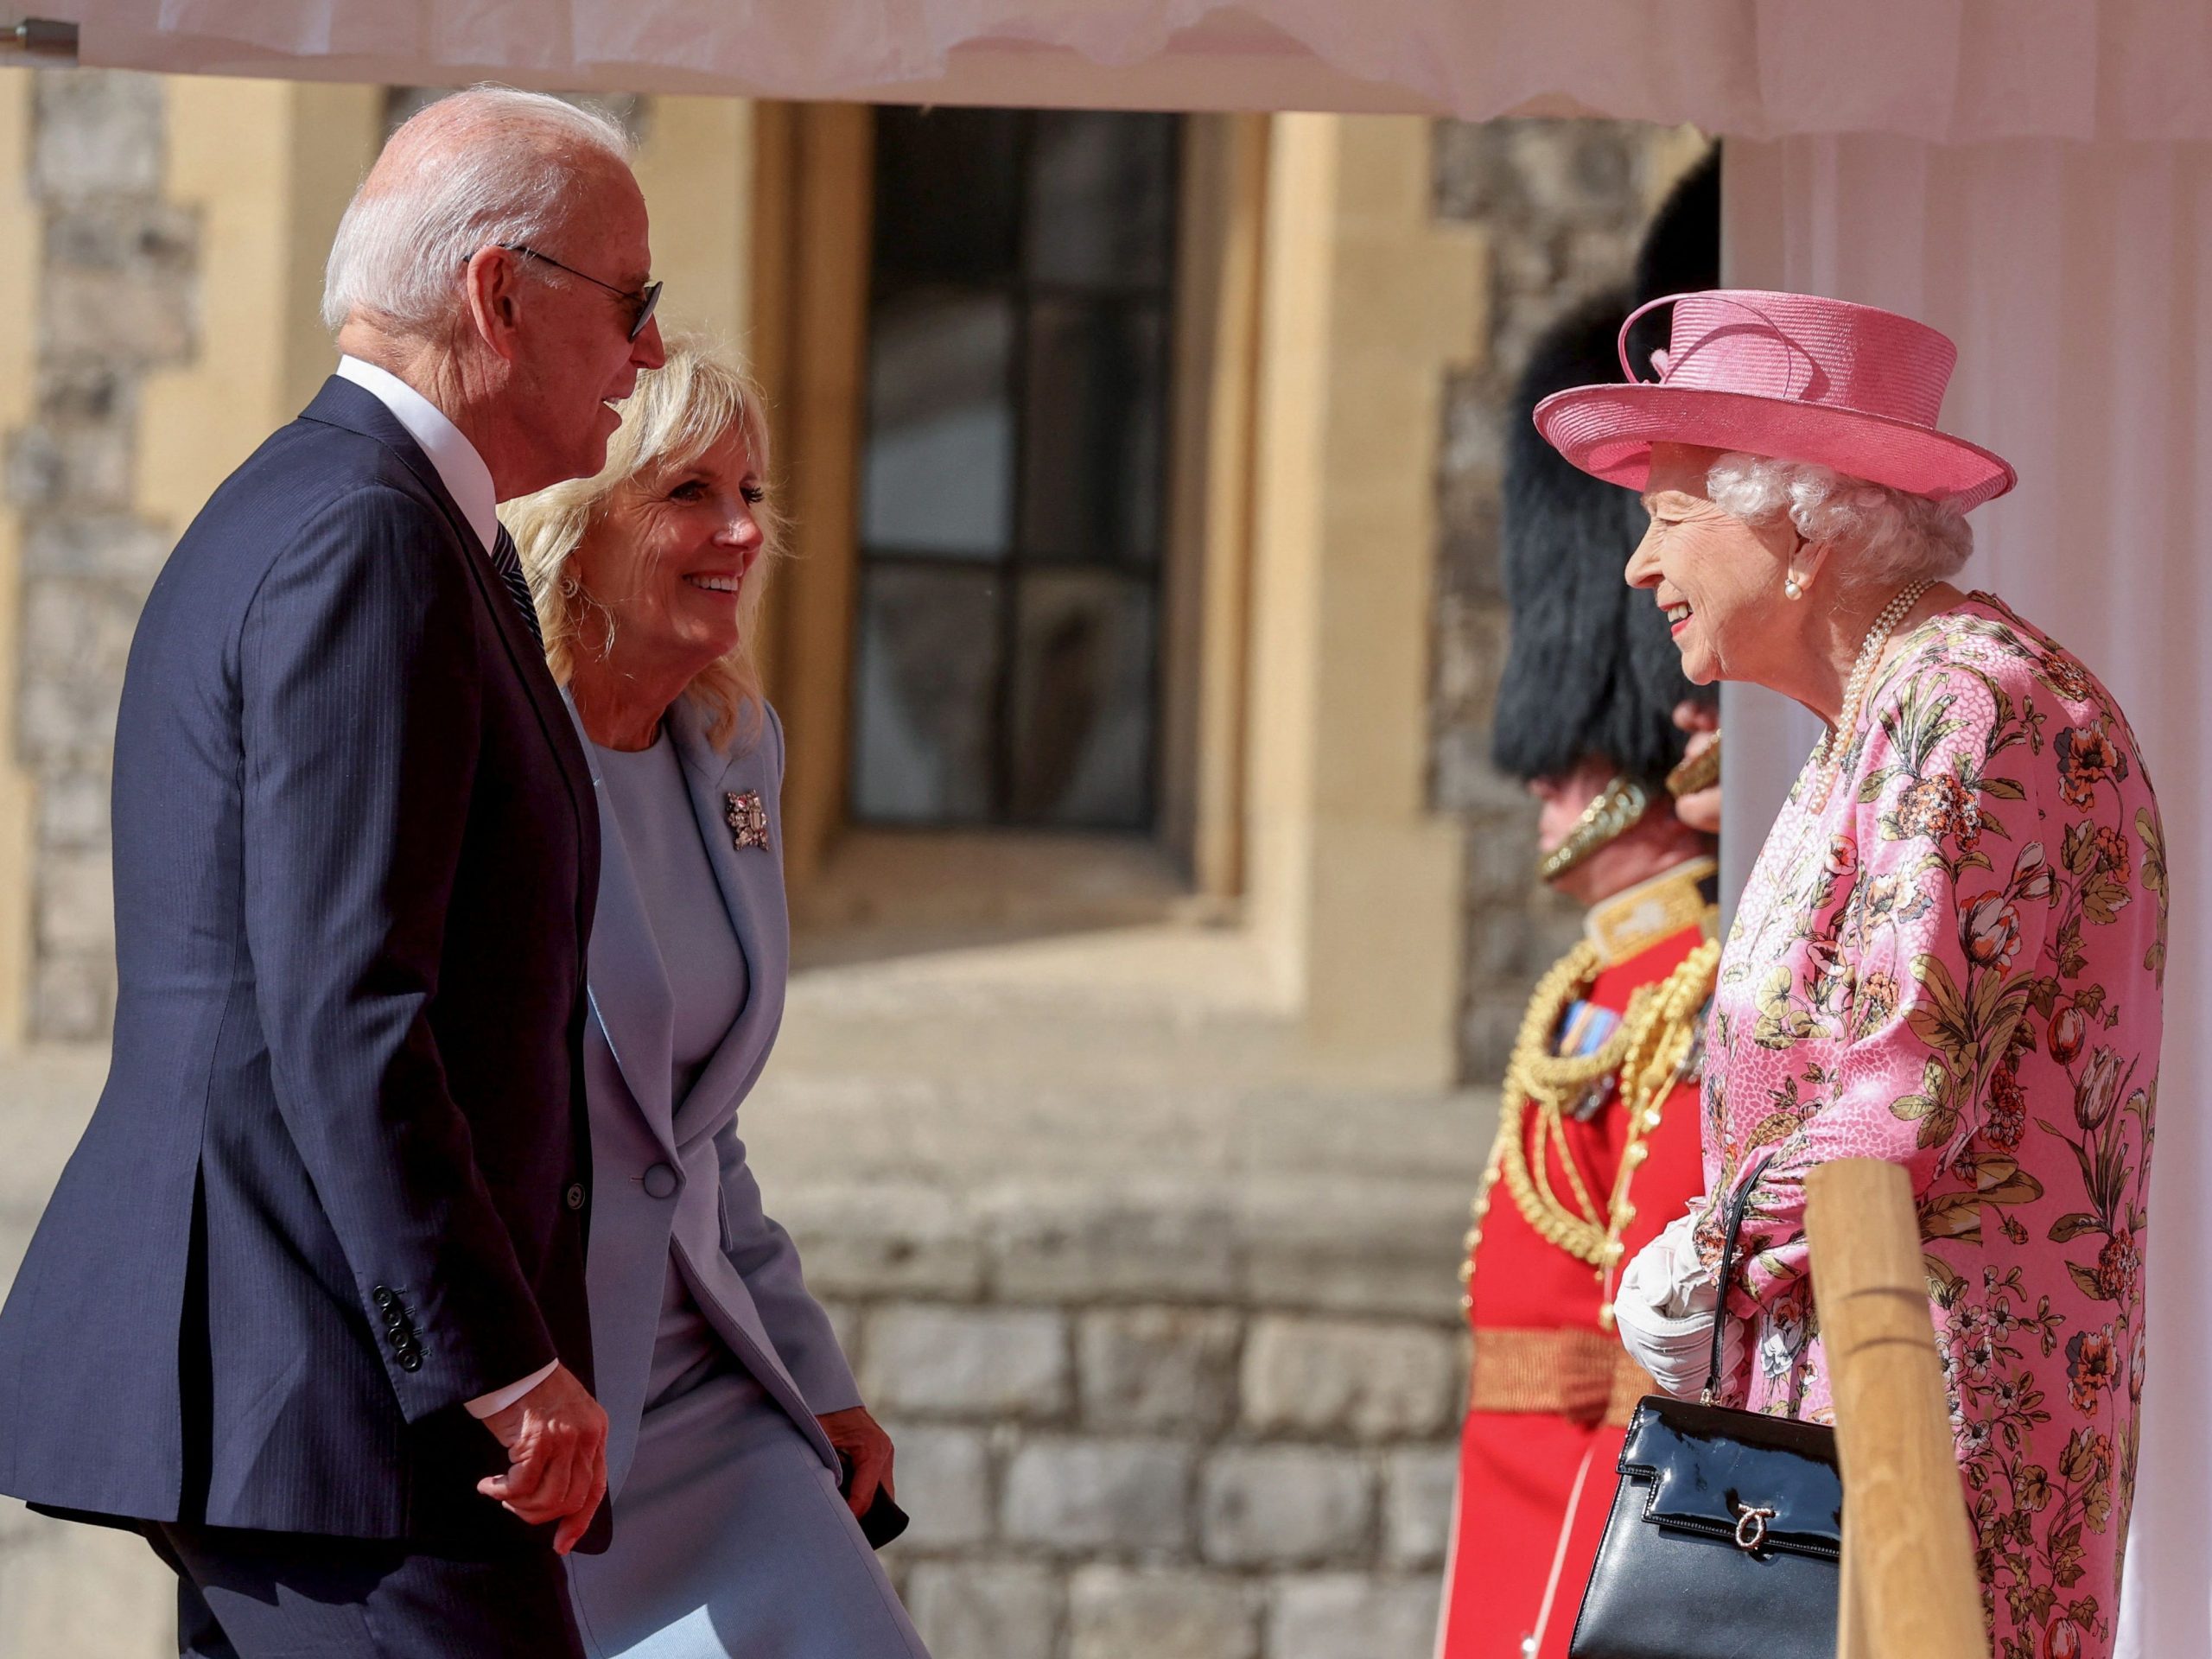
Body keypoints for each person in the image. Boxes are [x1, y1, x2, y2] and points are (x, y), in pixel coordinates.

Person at [0, 87, 666, 1657]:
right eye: (632, 305)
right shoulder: (363, 536)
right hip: (349, 1419)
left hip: (302, 1400)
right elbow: (347, 1007)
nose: (649, 354)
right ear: (503, 297)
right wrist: (496, 1365)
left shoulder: (369, 514)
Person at [1541, 289, 2164, 1659]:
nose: (1640, 572)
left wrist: (1699, 1249)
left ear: (1803, 523)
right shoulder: (1886, 709)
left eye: (1668, 518)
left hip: (1925, 1434)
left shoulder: (1968, 701)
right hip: (1843, 1408)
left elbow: (1897, 1098)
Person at [504, 340, 930, 1659]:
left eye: (753, 492)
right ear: (579, 530)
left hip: (718, 1400)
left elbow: (698, 1130)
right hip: (549, 1412)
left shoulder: (736, 744)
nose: (745, 531)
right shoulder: (500, 755)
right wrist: (502, 1383)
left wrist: (815, 1378)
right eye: (690, 493)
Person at [1435, 284, 1723, 1659]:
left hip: (1585, 1533)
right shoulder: (1597, 984)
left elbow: (1641, 1374)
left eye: (1579, 741)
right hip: (1509, 1508)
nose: (1549, 772)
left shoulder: (1691, 983)